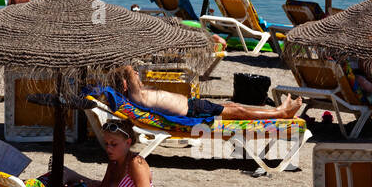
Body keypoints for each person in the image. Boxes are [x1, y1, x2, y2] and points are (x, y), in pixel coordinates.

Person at [113, 64, 301, 121]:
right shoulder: (136, 95)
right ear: (125, 83)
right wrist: (125, 67)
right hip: (192, 110)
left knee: (234, 106)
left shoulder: (139, 93)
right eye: (134, 75)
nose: (137, 75)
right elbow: (128, 69)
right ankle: (281, 113)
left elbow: (132, 75)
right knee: (238, 112)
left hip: (193, 105)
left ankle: (277, 111)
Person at [75, 119, 160, 187]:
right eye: (106, 144)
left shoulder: (137, 163)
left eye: (114, 144)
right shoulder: (114, 163)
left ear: (128, 142)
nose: (108, 148)